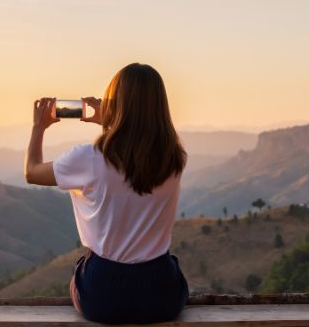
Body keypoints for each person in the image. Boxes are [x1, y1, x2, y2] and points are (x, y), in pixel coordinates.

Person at [24, 63, 189, 324]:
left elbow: (32, 172)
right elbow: (132, 160)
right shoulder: (175, 158)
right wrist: (112, 125)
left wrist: (38, 127)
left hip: (104, 293)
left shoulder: (87, 158)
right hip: (161, 293)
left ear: (116, 102)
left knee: (84, 266)